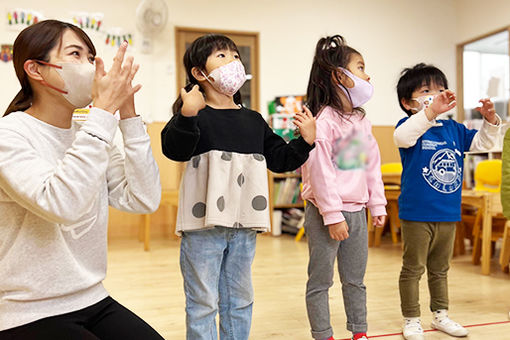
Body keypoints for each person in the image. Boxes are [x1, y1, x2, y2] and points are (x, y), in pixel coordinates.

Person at [0, 20, 163, 339]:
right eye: (76, 54)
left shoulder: (88, 131)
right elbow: (62, 205)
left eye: (92, 57)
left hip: (92, 298)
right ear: (35, 69)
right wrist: (102, 114)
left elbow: (144, 198)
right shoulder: (10, 134)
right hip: (26, 311)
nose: (91, 67)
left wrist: (128, 116)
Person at [160, 34, 316, 340]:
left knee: (240, 301)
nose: (232, 61)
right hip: (202, 226)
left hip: (245, 224)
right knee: (202, 303)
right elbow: (174, 150)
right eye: (221, 56)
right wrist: (188, 114)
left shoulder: (253, 120)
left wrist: (305, 141)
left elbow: (281, 159)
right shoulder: (194, 115)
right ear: (198, 73)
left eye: (235, 55)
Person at [394, 63, 501, 340]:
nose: (438, 94)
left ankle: (440, 314)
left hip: (447, 212)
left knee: (440, 269)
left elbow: (483, 145)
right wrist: (429, 112)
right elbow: (402, 138)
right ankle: (412, 318)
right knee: (413, 267)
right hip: (417, 213)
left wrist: (490, 121)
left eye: (441, 89)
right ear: (408, 102)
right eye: (427, 90)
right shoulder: (409, 126)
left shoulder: (454, 128)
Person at [300, 35, 387, 340]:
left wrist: (377, 205)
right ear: (340, 75)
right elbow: (320, 172)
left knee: (355, 280)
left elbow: (369, 166)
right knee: (321, 280)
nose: (367, 75)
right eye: (361, 67)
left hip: (357, 212)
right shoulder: (324, 120)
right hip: (327, 214)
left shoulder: (361, 121)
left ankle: (359, 332)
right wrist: (333, 215)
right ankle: (323, 334)